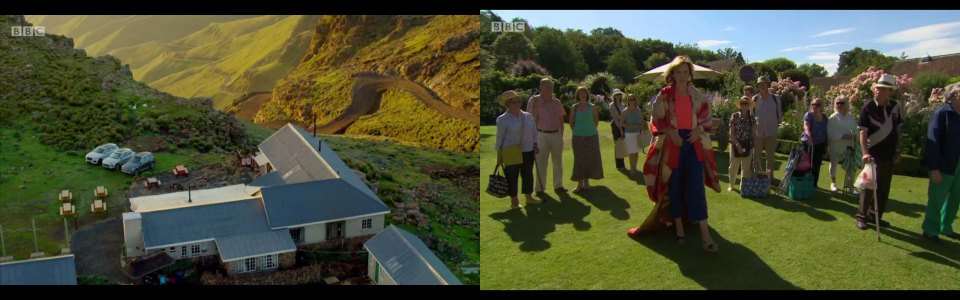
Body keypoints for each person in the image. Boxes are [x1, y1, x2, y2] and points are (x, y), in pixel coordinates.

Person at [627, 56, 721, 252]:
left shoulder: (697, 95)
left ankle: (705, 233)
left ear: (690, 74)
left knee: (696, 187)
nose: (682, 75)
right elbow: (656, 119)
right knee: (675, 185)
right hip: (673, 144)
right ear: (672, 74)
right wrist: (670, 132)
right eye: (678, 72)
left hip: (693, 144)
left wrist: (699, 130)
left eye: (685, 72)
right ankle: (678, 226)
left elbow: (706, 117)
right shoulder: (664, 95)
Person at [856, 74, 903, 230]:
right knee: (868, 187)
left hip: (888, 155)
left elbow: (898, 130)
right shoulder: (868, 107)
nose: (878, 91)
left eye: (882, 89)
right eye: (877, 88)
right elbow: (863, 132)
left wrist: (898, 150)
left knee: (883, 189)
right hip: (873, 155)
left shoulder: (895, 107)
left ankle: (875, 216)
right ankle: (861, 216)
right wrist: (865, 152)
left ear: (889, 92)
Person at [921, 83, 960, 242]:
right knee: (937, 198)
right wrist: (934, 168)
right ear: (954, 95)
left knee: (955, 198)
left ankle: (946, 226)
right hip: (943, 164)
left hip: (958, 164)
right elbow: (933, 141)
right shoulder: (942, 113)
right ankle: (931, 229)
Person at [495, 90, 539, 210]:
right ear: (507, 104)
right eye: (514, 102)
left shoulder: (528, 116)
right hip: (510, 151)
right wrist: (499, 155)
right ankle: (514, 201)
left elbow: (535, 133)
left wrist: (536, 144)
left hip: (528, 150)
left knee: (528, 175)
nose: (517, 104)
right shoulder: (502, 119)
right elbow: (499, 138)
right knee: (512, 177)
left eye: (519, 101)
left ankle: (529, 197)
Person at [526, 78, 567, 195]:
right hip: (541, 134)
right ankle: (540, 189)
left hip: (556, 134)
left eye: (551, 86)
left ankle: (558, 186)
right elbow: (529, 120)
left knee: (557, 162)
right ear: (541, 88)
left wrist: (561, 135)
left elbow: (561, 119)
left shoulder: (557, 102)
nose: (550, 88)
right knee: (541, 162)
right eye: (548, 86)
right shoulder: (534, 101)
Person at [569, 86, 604, 192]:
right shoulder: (574, 107)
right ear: (577, 95)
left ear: (587, 94)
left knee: (589, 159)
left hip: (591, 136)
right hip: (578, 137)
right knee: (579, 160)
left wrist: (589, 130)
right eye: (580, 93)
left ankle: (586, 183)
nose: (582, 95)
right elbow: (571, 122)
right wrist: (578, 131)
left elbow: (596, 121)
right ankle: (579, 184)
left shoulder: (592, 107)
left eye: (584, 93)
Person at [752, 76, 782, 180]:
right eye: (760, 84)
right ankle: (756, 177)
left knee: (770, 157)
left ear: (767, 85)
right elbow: (751, 115)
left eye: (764, 84)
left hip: (771, 132)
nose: (762, 86)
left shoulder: (775, 98)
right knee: (757, 157)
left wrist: (777, 125)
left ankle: (770, 179)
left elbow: (779, 114)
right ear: (758, 86)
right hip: (758, 133)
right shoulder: (754, 99)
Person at [827, 95, 858, 193]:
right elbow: (830, 133)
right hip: (835, 145)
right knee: (834, 163)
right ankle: (833, 183)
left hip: (848, 145)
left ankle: (850, 185)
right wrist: (842, 136)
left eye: (842, 103)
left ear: (846, 104)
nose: (839, 105)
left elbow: (855, 130)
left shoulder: (851, 117)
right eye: (837, 103)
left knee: (850, 165)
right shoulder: (833, 117)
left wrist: (853, 136)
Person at [728, 96, 756, 192]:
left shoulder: (752, 118)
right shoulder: (734, 116)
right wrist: (738, 145)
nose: (744, 105)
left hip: (748, 145)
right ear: (739, 105)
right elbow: (732, 133)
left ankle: (743, 186)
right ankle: (731, 185)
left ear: (749, 106)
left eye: (746, 103)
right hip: (735, 144)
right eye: (742, 103)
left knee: (746, 168)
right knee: (733, 167)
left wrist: (754, 147)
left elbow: (753, 134)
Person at [802, 98, 829, 191]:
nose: (814, 106)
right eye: (813, 104)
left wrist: (827, 143)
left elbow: (827, 131)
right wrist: (808, 134)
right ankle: (804, 182)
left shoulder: (825, 117)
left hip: (821, 143)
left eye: (817, 105)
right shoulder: (808, 115)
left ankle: (814, 184)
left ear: (821, 107)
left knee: (817, 164)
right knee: (806, 164)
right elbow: (806, 125)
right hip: (809, 143)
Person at [620, 93, 647, 174]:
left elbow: (642, 122)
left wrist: (642, 131)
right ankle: (632, 169)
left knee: (636, 151)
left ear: (636, 100)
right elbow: (621, 124)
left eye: (633, 99)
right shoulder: (625, 111)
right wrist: (632, 125)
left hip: (638, 133)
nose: (632, 100)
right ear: (627, 100)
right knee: (632, 152)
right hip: (629, 133)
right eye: (630, 99)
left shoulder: (639, 110)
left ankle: (635, 167)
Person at [608, 89, 627, 170]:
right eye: (617, 94)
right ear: (614, 96)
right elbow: (615, 118)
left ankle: (622, 164)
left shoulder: (623, 104)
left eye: (619, 94)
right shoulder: (612, 105)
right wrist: (620, 128)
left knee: (622, 145)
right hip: (616, 125)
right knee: (618, 144)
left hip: (623, 124)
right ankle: (619, 165)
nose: (618, 96)